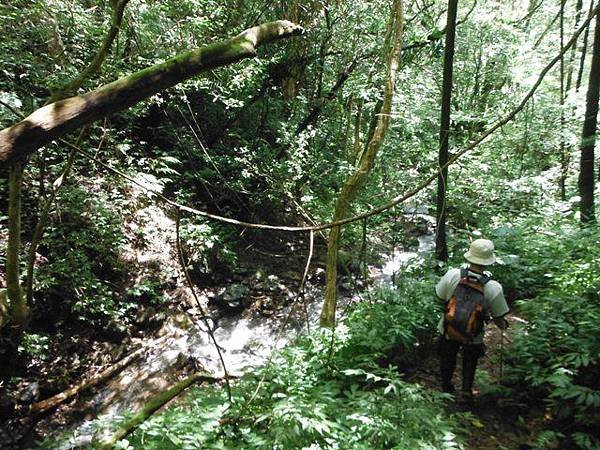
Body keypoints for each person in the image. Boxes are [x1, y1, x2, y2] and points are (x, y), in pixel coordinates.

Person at [435, 238, 509, 400]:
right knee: (470, 360)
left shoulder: (452, 275)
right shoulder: (493, 287)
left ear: (469, 256)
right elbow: (498, 318)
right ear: (489, 261)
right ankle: (466, 391)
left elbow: (440, 297)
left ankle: (446, 387)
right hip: (473, 334)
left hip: (448, 328)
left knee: (448, 356)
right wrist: (504, 325)